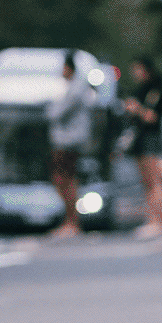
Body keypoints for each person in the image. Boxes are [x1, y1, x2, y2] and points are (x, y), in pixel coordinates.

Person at [45, 50, 95, 238]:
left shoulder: (76, 88)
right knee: (61, 179)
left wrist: (49, 108)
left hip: (69, 141)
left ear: (69, 68)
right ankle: (70, 221)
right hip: (67, 141)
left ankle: (72, 222)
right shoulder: (73, 87)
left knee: (65, 179)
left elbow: (55, 113)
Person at [124, 56, 162, 239]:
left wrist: (137, 109)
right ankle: (151, 220)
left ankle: (158, 221)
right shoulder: (141, 89)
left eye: (137, 69)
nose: (134, 73)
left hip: (151, 138)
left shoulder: (157, 88)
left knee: (155, 181)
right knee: (147, 183)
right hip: (141, 140)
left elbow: (153, 117)